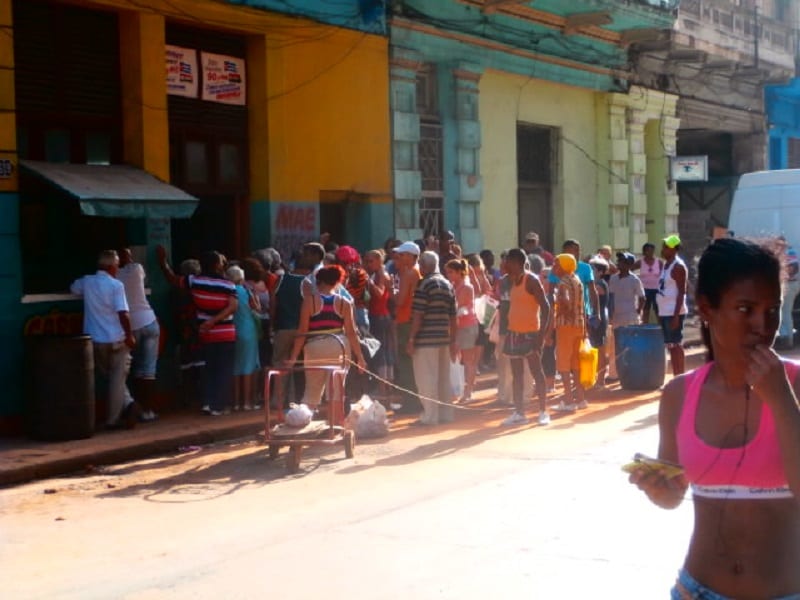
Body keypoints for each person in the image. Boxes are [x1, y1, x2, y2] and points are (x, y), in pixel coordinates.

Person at [629, 237, 800, 599]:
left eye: (773, 309)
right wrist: (661, 488)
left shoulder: (795, 386)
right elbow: (673, 497)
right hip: (697, 590)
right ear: (706, 309)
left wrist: (782, 400)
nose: (762, 324)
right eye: (745, 308)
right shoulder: (679, 395)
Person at [157, 246, 237, 416]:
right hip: (225, 333)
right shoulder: (228, 284)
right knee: (223, 369)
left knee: (209, 368)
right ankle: (218, 405)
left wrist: (163, 262)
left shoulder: (194, 282)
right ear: (217, 265)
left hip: (206, 334)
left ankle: (207, 403)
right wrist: (214, 321)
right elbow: (232, 307)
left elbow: (172, 279)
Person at [70, 250, 139, 429]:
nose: (118, 268)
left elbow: (73, 288)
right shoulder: (116, 285)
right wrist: (129, 335)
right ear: (111, 266)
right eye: (116, 265)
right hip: (117, 338)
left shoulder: (87, 282)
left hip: (95, 340)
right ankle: (116, 417)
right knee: (117, 379)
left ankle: (129, 404)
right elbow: (123, 313)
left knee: (110, 378)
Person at [284, 265, 366, 412]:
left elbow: (302, 332)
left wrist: (293, 358)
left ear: (318, 281)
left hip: (315, 347)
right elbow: (352, 332)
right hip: (340, 346)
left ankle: (304, 425)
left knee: (311, 392)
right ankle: (336, 428)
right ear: (337, 282)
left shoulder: (309, 301)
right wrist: (360, 358)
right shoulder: (344, 303)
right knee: (336, 392)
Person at [498, 248, 551, 426]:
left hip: (531, 333)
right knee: (517, 375)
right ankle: (519, 412)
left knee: (537, 372)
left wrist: (541, 335)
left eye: (508, 262)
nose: (505, 265)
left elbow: (546, 307)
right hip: (514, 332)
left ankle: (543, 411)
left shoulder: (532, 280)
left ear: (517, 262)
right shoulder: (510, 281)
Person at [406, 251, 457, 426]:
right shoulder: (447, 284)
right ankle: (445, 414)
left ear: (426, 265)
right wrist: (453, 341)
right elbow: (453, 316)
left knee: (426, 379)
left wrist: (411, 339)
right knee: (443, 378)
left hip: (426, 340)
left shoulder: (424, 284)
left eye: (420, 264)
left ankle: (430, 416)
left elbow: (418, 315)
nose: (419, 267)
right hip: (443, 338)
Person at [117, 248, 159, 422]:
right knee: (148, 370)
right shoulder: (137, 269)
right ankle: (147, 411)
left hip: (130, 326)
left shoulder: (114, 276)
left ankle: (134, 407)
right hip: (148, 321)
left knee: (131, 370)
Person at [551, 253, 586, 412]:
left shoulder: (563, 282)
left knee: (563, 363)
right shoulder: (577, 280)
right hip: (579, 325)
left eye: (556, 264)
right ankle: (580, 398)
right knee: (575, 363)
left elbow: (564, 299)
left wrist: (565, 311)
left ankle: (568, 400)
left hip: (566, 326)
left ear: (564, 266)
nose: (554, 267)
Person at [392, 241, 422, 414]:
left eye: (402, 254)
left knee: (405, 363)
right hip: (409, 319)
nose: (399, 257)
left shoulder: (409, 273)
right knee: (410, 363)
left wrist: (391, 289)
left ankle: (411, 403)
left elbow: (400, 300)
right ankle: (414, 401)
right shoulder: (415, 272)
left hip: (406, 320)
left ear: (411, 256)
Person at [445, 258, 480, 404]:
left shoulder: (466, 287)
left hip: (467, 327)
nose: (448, 275)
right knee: (456, 358)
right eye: (447, 272)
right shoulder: (454, 285)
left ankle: (468, 392)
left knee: (468, 360)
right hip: (457, 327)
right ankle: (458, 390)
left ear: (460, 272)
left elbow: (457, 307)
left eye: (451, 272)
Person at [226, 265, 261, 411]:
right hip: (248, 330)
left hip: (233, 330)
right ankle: (247, 402)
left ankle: (236, 402)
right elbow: (257, 308)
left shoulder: (228, 291)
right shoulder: (246, 290)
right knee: (248, 366)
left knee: (235, 366)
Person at [607, 252, 645, 383]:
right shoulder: (613, 279)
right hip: (617, 317)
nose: (619, 263)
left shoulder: (634, 280)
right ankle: (613, 374)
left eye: (622, 261)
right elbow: (610, 297)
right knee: (614, 346)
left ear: (629, 265)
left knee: (630, 346)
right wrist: (610, 314)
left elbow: (642, 297)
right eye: (618, 261)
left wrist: (638, 312)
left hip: (630, 317)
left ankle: (632, 372)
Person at [364, 249, 395, 400]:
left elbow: (380, 293)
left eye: (371, 261)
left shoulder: (381, 274)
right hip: (381, 315)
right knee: (385, 351)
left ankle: (383, 387)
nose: (368, 264)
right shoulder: (380, 273)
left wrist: (368, 282)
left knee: (380, 351)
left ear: (379, 260)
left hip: (379, 316)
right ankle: (387, 385)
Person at [657, 234, 688, 376]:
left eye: (666, 247)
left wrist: (676, 316)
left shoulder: (678, 267)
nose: (663, 250)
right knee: (670, 346)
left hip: (673, 312)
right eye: (663, 247)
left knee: (676, 345)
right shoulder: (666, 265)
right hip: (665, 312)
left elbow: (682, 292)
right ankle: (677, 377)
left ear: (675, 249)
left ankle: (680, 377)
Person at [588, 256, 610, 389]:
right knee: (595, 348)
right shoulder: (595, 284)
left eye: (593, 269)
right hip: (595, 318)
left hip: (599, 319)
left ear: (600, 272)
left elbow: (593, 295)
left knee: (600, 349)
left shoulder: (599, 284)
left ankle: (601, 380)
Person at [635, 242, 662, 324]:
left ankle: (660, 328)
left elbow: (665, 274)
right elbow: (629, 270)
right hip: (644, 289)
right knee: (645, 309)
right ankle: (645, 327)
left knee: (658, 310)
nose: (650, 253)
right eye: (648, 251)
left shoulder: (659, 262)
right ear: (644, 251)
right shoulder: (640, 262)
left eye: (652, 251)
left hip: (657, 289)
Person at [778, 246, 799, 349]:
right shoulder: (792, 252)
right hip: (793, 285)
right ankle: (787, 338)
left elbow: (791, 269)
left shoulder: (788, 253)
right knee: (785, 312)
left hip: (790, 285)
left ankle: (786, 339)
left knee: (784, 312)